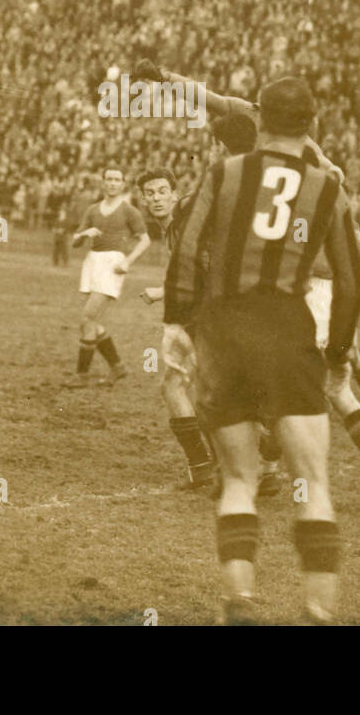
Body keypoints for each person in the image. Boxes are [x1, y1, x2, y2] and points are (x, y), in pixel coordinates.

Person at [165, 77, 360, 624]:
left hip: (224, 330)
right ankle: (318, 611)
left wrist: (179, 325)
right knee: (314, 481)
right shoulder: (328, 186)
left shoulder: (225, 172)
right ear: (312, 123)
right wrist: (339, 354)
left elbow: (185, 251)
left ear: (261, 121)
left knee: (237, 480)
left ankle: (240, 603)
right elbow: (351, 281)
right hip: (286, 330)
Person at [137, 166, 214, 489]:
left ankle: (209, 467)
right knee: (190, 389)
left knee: (182, 388)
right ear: (143, 198)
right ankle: (208, 467)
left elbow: (205, 273)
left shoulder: (185, 224)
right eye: (150, 193)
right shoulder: (171, 229)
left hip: (206, 316)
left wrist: (160, 292)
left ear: (174, 194)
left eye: (162, 192)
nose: (156, 198)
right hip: (201, 316)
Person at [68, 165, 150, 386]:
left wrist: (127, 261)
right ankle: (118, 367)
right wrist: (85, 233)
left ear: (123, 184)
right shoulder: (93, 210)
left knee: (87, 317)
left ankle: (81, 375)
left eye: (117, 179)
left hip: (113, 264)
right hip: (92, 262)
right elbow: (75, 241)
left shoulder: (128, 211)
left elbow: (145, 240)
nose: (113, 183)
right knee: (92, 321)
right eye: (109, 179)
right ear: (103, 182)